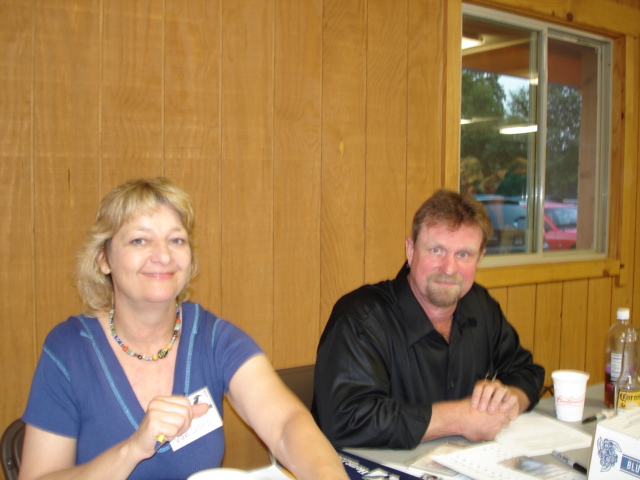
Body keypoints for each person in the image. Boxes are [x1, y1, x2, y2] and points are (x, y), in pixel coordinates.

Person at [19, 177, 348, 480]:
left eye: (175, 240)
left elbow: (287, 424)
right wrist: (133, 449)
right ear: (104, 259)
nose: (163, 256)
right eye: (139, 240)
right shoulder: (69, 350)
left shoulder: (212, 338)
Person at [312, 189, 545, 449]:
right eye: (436, 250)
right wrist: (458, 419)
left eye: (463, 255)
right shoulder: (360, 317)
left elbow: (527, 373)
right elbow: (345, 419)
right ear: (411, 250)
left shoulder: (480, 306)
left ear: (480, 258)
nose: (449, 268)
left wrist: (510, 399)